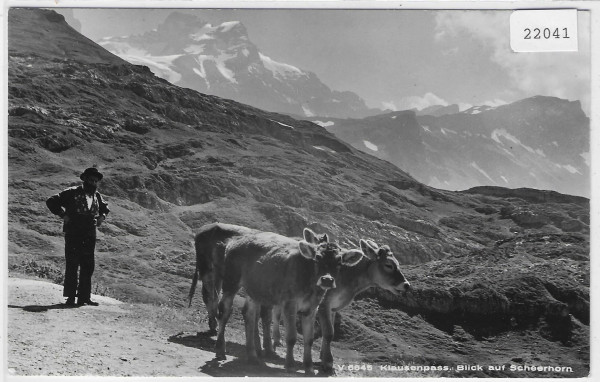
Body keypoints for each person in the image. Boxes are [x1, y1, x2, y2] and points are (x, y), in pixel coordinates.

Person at [46, 167, 109, 306]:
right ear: (84, 179)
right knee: (72, 264)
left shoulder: (96, 196)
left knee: (88, 265)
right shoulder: (71, 192)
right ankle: (70, 297)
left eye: (95, 181)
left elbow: (105, 208)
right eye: (90, 180)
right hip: (73, 233)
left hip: (89, 234)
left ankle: (84, 297)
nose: (93, 183)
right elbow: (51, 201)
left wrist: (101, 217)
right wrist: (63, 215)